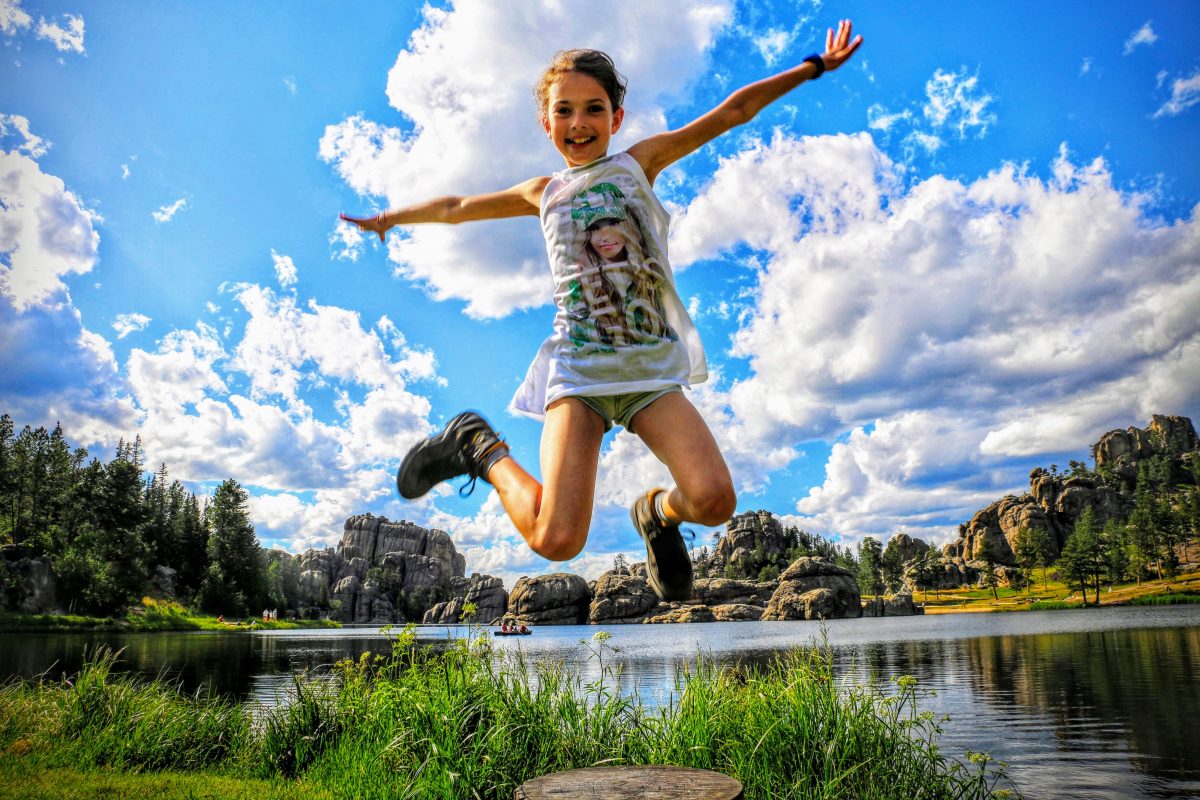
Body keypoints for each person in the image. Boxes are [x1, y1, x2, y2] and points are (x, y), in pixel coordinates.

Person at [341, 22, 863, 602]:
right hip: (579, 375)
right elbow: (459, 206)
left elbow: (730, 114)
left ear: (617, 116)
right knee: (555, 539)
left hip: (648, 369)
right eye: (564, 111)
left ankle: (658, 516)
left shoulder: (639, 165)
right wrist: (393, 218)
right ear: (547, 122)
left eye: (594, 109)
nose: (579, 123)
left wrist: (813, 66)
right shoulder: (542, 192)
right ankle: (477, 448)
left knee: (714, 500)